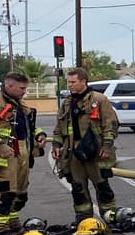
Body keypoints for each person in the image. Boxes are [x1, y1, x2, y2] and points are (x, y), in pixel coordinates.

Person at [0, 70, 47, 235]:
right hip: (3, 156)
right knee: (4, 191)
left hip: (21, 152)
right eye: (21, 88)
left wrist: (39, 135)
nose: (24, 91)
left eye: (25, 88)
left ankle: (12, 221)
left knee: (20, 192)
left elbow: (27, 126)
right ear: (9, 85)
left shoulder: (20, 105)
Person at [51, 67, 121, 225]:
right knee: (77, 188)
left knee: (102, 185)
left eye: (73, 82)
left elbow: (111, 125)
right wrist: (56, 144)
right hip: (73, 153)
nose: (70, 85)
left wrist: (107, 146)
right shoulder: (67, 103)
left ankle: (109, 214)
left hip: (95, 151)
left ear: (83, 81)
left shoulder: (99, 100)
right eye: (68, 82)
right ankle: (84, 218)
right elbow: (59, 127)